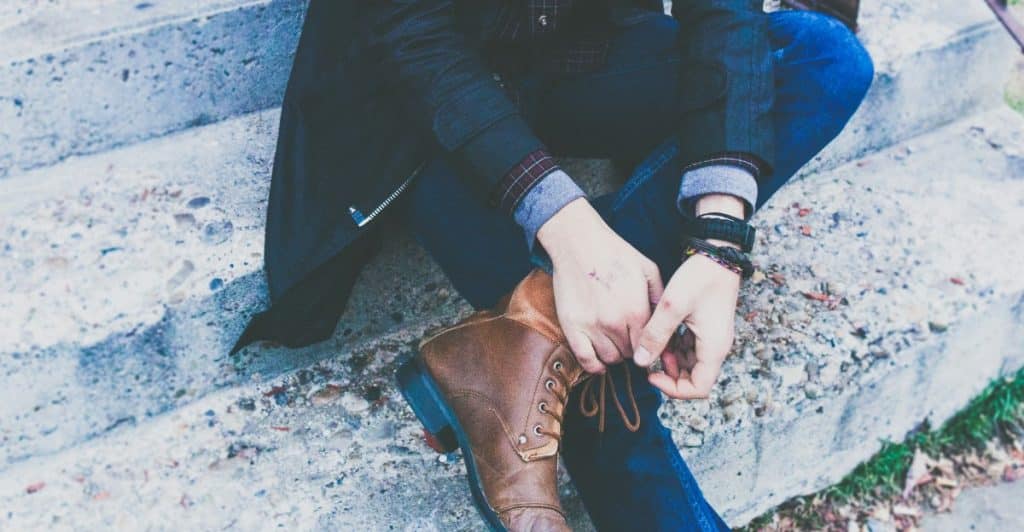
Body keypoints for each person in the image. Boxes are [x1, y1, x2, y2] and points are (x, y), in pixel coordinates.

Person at [232, 1, 873, 530]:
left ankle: (527, 335)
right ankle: (555, 350)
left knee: (823, 57)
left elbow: (722, 13)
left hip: (572, 55)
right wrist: (570, 233)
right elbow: (408, 35)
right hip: (414, 103)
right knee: (607, 373)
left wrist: (720, 239)